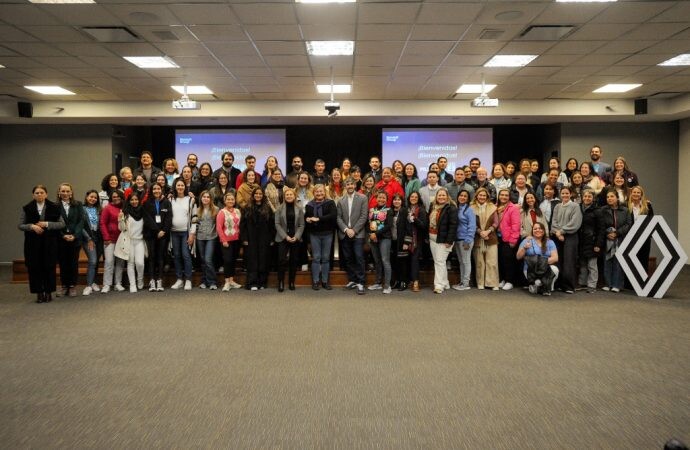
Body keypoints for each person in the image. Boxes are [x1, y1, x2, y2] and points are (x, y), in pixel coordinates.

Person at [19, 185, 64, 303]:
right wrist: (31, 226)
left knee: (49, 267)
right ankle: (39, 292)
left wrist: (47, 224)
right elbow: (20, 225)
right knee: (34, 267)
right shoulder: (27, 208)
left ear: (46, 194)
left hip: (50, 243)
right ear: (33, 195)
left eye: (42, 192)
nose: (39, 195)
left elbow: (61, 224)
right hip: (32, 244)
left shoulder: (54, 207)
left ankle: (48, 292)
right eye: (37, 193)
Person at [337, 177, 369, 295]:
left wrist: (354, 230)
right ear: (345, 186)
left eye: (351, 184)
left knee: (359, 258)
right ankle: (352, 280)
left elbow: (364, 216)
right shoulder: (340, 200)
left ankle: (361, 282)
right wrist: (346, 229)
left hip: (358, 233)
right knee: (348, 258)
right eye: (347, 184)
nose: (349, 186)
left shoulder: (363, 198)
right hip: (345, 233)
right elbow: (338, 217)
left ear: (355, 186)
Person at [241, 187, 275, 290]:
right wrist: (244, 238)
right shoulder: (247, 207)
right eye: (256, 194)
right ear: (253, 195)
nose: (258, 196)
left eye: (260, 194)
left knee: (263, 260)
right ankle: (252, 283)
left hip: (264, 238)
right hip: (251, 238)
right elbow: (243, 225)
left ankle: (262, 283)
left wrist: (272, 239)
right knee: (252, 261)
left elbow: (271, 225)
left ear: (263, 195)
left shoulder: (267, 208)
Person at [598, 190, 632, 293]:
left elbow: (628, 224)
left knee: (618, 261)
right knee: (607, 260)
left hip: (620, 238)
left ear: (617, 198)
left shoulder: (625, 210)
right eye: (608, 197)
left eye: (612, 196)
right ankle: (608, 284)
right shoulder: (602, 210)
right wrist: (607, 233)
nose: (609, 198)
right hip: (607, 238)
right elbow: (600, 224)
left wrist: (617, 233)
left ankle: (617, 285)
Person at [550, 186, 583, 294]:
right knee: (558, 260)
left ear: (571, 194)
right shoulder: (557, 206)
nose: (564, 195)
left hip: (570, 236)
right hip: (557, 236)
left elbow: (575, 222)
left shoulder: (575, 206)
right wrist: (558, 233)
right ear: (560, 194)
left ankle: (569, 286)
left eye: (566, 193)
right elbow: (553, 221)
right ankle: (559, 284)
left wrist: (562, 231)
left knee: (569, 261)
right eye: (563, 193)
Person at [56, 183, 86, 297]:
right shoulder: (55, 206)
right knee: (63, 263)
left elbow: (81, 221)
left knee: (73, 263)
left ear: (71, 193)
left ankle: (72, 286)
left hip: (75, 239)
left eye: (67, 191)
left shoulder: (78, 205)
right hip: (61, 239)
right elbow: (54, 222)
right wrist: (63, 235)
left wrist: (75, 235)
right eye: (63, 191)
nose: (65, 193)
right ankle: (64, 286)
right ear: (59, 193)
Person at [305, 184, 337, 290]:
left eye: (321, 191)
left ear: (325, 192)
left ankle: (324, 281)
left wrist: (318, 219)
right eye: (317, 192)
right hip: (314, 235)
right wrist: (307, 220)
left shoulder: (330, 203)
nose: (319, 193)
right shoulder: (309, 205)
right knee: (316, 258)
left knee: (326, 258)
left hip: (327, 234)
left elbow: (333, 216)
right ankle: (315, 281)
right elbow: (306, 217)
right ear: (313, 193)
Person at [427, 187, 457, 294]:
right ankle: (445, 282)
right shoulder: (433, 206)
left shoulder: (451, 208)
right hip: (432, 238)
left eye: (443, 195)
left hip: (444, 240)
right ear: (436, 196)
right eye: (439, 195)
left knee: (439, 262)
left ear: (447, 196)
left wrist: (449, 241)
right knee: (440, 262)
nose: (441, 197)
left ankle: (439, 285)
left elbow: (453, 226)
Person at [142, 183, 171, 292]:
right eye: (154, 189)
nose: (156, 190)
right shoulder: (146, 203)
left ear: (161, 189)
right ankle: (152, 280)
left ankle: (159, 280)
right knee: (152, 257)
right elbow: (147, 219)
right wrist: (157, 230)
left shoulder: (167, 203)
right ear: (151, 190)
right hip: (151, 234)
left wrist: (163, 230)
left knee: (160, 257)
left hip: (163, 235)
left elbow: (169, 218)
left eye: (158, 188)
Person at [517, 222, 559, 296]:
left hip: (545, 268)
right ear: (532, 231)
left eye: (540, 228)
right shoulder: (527, 240)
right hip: (530, 269)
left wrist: (540, 263)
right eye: (535, 229)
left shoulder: (550, 242)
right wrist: (524, 248)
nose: (537, 230)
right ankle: (538, 286)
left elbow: (555, 258)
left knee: (555, 269)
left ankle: (547, 287)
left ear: (543, 230)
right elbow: (518, 257)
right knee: (538, 283)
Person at [274, 188, 304, 292]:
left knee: (294, 261)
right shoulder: (279, 208)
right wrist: (285, 236)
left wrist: (296, 236)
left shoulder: (299, 208)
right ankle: (281, 282)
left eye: (291, 194)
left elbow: (301, 225)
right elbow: (277, 224)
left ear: (294, 196)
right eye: (287, 195)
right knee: (281, 260)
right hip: (283, 237)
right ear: (284, 196)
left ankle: (291, 281)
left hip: (295, 237)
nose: (289, 196)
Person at [170, 179, 197, 291]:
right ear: (175, 187)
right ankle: (179, 279)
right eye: (178, 185)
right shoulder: (171, 199)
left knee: (186, 255)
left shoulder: (190, 200)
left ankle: (188, 280)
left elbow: (194, 218)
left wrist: (192, 234)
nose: (180, 187)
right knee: (176, 255)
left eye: (182, 185)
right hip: (174, 233)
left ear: (185, 187)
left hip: (186, 233)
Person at [116, 192, 146, 293]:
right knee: (130, 263)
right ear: (129, 201)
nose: (134, 202)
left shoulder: (143, 211)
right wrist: (120, 219)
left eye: (136, 199)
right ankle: (132, 284)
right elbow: (122, 229)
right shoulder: (125, 212)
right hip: (129, 241)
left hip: (140, 241)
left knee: (140, 263)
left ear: (139, 200)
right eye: (132, 200)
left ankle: (140, 280)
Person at [471, 187, 499, 290]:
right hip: (477, 238)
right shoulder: (471, 208)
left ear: (487, 196)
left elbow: (496, 222)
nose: (482, 197)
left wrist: (488, 231)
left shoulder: (493, 207)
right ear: (476, 196)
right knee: (479, 262)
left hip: (491, 237)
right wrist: (480, 232)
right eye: (480, 195)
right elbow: (471, 223)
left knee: (492, 261)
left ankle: (492, 283)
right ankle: (480, 282)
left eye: (484, 195)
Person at [367, 191, 394, 294]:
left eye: (383, 198)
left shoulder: (389, 210)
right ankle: (378, 283)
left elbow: (389, 225)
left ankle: (387, 285)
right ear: (376, 198)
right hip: (373, 239)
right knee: (377, 261)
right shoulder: (371, 209)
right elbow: (368, 223)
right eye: (379, 197)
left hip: (384, 238)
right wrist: (371, 234)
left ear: (386, 200)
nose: (381, 199)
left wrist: (376, 234)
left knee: (385, 261)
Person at [100, 190, 125, 293]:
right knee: (109, 262)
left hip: (122, 240)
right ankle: (107, 284)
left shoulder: (124, 208)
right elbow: (102, 223)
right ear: (111, 198)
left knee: (120, 262)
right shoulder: (107, 208)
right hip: (110, 240)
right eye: (114, 197)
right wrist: (106, 238)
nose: (116, 198)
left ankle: (118, 283)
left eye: (118, 196)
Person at [216, 192, 242, 291]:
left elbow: (239, 226)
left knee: (233, 261)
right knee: (227, 261)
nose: (230, 201)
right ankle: (227, 282)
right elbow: (219, 228)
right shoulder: (222, 212)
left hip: (236, 240)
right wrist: (223, 240)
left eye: (232, 199)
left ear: (234, 201)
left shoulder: (238, 211)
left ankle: (232, 281)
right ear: (224, 201)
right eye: (228, 199)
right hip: (226, 241)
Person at [496, 188, 521, 291]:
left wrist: (513, 240)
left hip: (509, 238)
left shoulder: (513, 208)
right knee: (500, 259)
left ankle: (509, 281)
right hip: (498, 237)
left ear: (509, 197)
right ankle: (502, 279)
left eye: (506, 195)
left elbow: (516, 225)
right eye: (502, 195)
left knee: (508, 260)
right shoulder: (496, 207)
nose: (504, 197)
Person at [452, 190, 475, 291]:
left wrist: (468, 240)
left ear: (468, 198)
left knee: (466, 262)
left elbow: (472, 226)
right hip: (458, 239)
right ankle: (462, 282)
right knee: (461, 262)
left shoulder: (469, 210)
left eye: (465, 196)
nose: (462, 197)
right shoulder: (457, 208)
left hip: (466, 240)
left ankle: (466, 283)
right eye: (461, 195)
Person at [628, 185, 654, 276]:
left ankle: (643, 282)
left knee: (643, 258)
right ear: (631, 194)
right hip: (630, 237)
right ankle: (630, 284)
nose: (636, 194)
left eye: (638, 192)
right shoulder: (626, 206)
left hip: (644, 237)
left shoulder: (647, 205)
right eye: (634, 192)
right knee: (631, 259)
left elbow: (651, 221)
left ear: (641, 194)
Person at [405, 191, 428, 292]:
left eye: (415, 197)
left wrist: (415, 218)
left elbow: (423, 226)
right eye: (412, 197)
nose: (413, 198)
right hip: (406, 238)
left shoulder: (422, 210)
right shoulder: (405, 209)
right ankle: (409, 280)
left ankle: (416, 282)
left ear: (418, 199)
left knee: (415, 260)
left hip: (417, 239)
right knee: (407, 260)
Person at [195, 191, 218, 290]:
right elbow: (194, 224)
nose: (206, 198)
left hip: (211, 237)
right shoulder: (197, 210)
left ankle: (212, 282)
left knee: (208, 260)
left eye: (208, 197)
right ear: (201, 198)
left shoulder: (216, 209)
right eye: (204, 197)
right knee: (203, 260)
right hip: (200, 237)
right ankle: (204, 281)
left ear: (210, 199)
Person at [578, 189, 600, 293]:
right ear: (582, 197)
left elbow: (601, 229)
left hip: (592, 241)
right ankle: (582, 283)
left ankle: (592, 285)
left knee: (592, 265)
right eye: (585, 196)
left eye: (589, 197)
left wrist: (598, 244)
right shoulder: (578, 208)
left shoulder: (597, 211)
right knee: (582, 264)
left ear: (593, 198)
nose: (587, 198)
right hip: (580, 240)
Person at [80, 190, 102, 296]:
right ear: (86, 196)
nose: (93, 199)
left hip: (98, 238)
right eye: (91, 197)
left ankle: (93, 282)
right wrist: (89, 238)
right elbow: (80, 226)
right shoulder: (81, 209)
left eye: (95, 198)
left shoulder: (99, 209)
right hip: (87, 238)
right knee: (93, 261)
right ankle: (88, 286)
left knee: (96, 261)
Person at [389, 193, 410, 290]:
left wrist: (407, 242)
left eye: (398, 200)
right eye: (395, 200)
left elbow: (409, 227)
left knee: (403, 263)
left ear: (402, 201)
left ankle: (404, 282)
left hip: (402, 241)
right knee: (394, 262)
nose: (396, 201)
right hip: (392, 241)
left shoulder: (405, 211)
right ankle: (396, 281)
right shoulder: (390, 211)